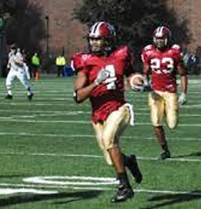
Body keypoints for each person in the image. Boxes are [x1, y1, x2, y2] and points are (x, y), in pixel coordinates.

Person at [72, 21, 142, 203]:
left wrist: (136, 81)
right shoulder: (84, 61)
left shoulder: (121, 54)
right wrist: (96, 83)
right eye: (92, 39)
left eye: (98, 39)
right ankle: (129, 161)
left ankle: (125, 187)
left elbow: (131, 74)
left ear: (108, 40)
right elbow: (78, 96)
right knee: (112, 159)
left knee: (109, 140)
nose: (94, 43)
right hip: (98, 114)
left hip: (119, 108)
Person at [141, 26, 188, 160]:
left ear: (167, 39)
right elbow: (145, 72)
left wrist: (184, 93)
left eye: (162, 38)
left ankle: (168, 110)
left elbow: (183, 74)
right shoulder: (148, 52)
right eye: (157, 38)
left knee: (172, 125)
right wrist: (145, 83)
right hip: (155, 91)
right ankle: (165, 150)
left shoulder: (174, 52)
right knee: (156, 122)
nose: (159, 41)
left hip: (170, 91)